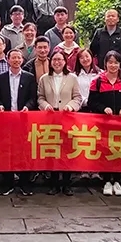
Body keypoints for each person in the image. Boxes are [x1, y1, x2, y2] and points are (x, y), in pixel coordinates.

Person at [87, 50, 121, 197]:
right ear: (105, 64)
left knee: (119, 152)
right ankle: (106, 181)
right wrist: (103, 108)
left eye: (116, 62)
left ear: (120, 64)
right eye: (110, 62)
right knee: (105, 152)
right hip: (103, 124)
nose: (113, 65)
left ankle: (117, 180)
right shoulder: (97, 81)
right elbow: (92, 102)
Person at [0, 49, 38, 196]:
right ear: (8, 60)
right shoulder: (0, 78)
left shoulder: (29, 77)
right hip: (6, 121)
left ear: (22, 60)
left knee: (24, 151)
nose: (16, 60)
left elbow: (33, 98)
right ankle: (8, 183)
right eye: (13, 57)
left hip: (23, 120)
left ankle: (24, 183)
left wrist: (28, 107)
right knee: (7, 152)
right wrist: (0, 105)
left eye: (19, 57)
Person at [39, 49, 82, 195]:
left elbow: (77, 97)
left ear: (65, 62)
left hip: (67, 117)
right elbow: (40, 97)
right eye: (54, 60)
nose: (57, 62)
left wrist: (70, 106)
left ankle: (66, 184)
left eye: (60, 59)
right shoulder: (44, 78)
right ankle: (54, 184)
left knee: (67, 150)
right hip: (50, 118)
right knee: (52, 150)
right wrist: (46, 106)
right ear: (50, 62)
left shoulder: (72, 78)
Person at [73, 48, 102, 182]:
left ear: (92, 57)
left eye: (87, 56)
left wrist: (94, 103)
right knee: (83, 139)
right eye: (81, 57)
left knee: (96, 140)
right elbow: (76, 93)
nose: (85, 59)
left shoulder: (100, 74)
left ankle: (95, 170)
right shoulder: (74, 75)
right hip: (82, 109)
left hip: (97, 110)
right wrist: (85, 101)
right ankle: (83, 169)